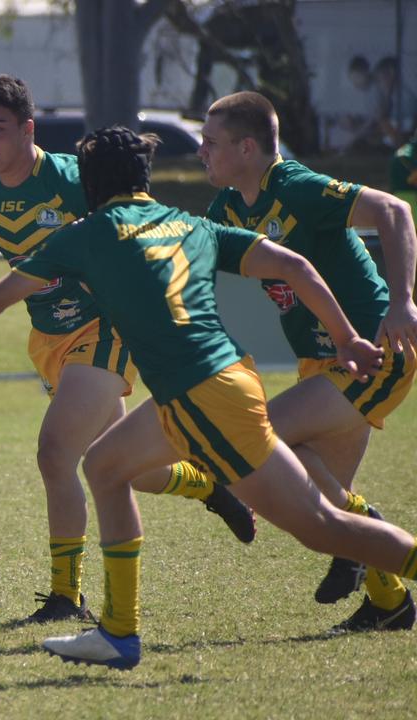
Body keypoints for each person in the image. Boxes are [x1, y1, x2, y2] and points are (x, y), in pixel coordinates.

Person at [0, 125, 417, 669]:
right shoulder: (190, 222)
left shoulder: (89, 232)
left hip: (201, 395)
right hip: (219, 381)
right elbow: (294, 266)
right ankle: (119, 634)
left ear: (92, 184)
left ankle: (120, 633)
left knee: (322, 528)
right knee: (105, 466)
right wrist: (346, 336)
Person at [0, 76, 255, 624]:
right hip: (50, 340)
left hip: (104, 327)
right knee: (123, 469)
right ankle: (205, 481)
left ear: (28, 129)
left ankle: (68, 596)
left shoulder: (74, 179)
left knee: (55, 453)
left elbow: (139, 226)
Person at [201, 91, 417, 629]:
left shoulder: (296, 187)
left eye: (210, 143)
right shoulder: (227, 206)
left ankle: (360, 545)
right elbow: (189, 264)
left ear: (247, 147)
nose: (201, 152)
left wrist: (402, 301)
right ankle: (390, 603)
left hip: (373, 350)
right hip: (318, 364)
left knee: (260, 435)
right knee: (325, 503)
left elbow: (395, 209)